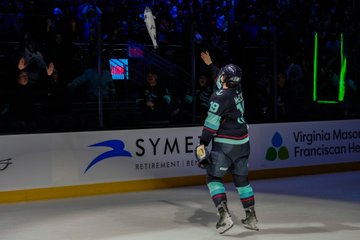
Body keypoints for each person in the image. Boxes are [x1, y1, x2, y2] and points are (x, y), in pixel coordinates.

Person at [196, 51, 258, 234]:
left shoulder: (219, 97)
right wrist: (210, 64)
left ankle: (224, 216)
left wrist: (202, 143)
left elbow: (211, 123)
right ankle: (251, 217)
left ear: (225, 78)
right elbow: (220, 77)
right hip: (243, 142)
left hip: (225, 144)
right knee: (241, 180)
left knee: (213, 178)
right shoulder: (237, 88)